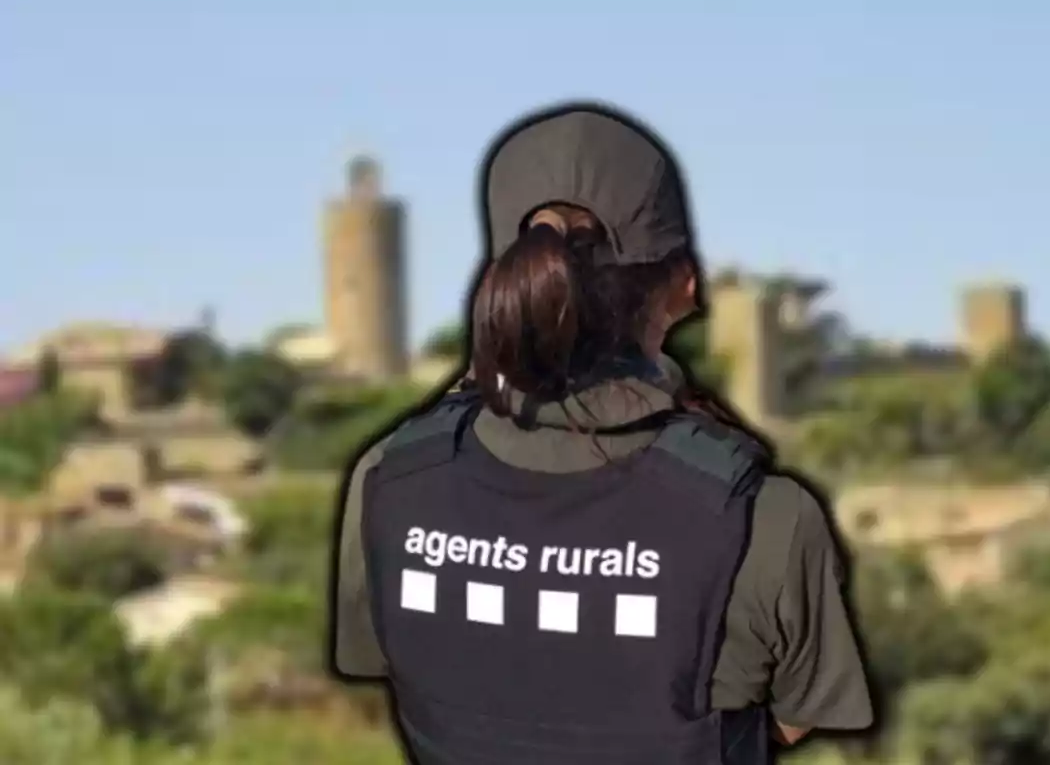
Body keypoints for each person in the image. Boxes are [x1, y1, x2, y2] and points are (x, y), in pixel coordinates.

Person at [330, 103, 873, 764]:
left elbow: (390, 663)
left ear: (513, 277)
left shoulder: (388, 479)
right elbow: (794, 718)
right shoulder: (763, 518)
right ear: (686, 286)